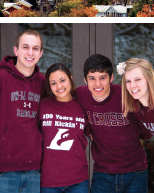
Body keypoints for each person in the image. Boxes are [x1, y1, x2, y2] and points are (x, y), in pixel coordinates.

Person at [73, 54, 151, 193]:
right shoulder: (80, 95)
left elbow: (145, 130)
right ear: (85, 80)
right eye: (92, 78)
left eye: (102, 77)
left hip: (135, 172)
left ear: (111, 77)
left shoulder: (126, 95)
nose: (97, 84)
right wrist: (87, 130)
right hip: (103, 173)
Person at [0, 30, 45, 193]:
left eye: (35, 48)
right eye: (25, 47)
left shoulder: (43, 83)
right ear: (16, 50)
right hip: (4, 169)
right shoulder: (2, 77)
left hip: (34, 169)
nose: (30, 53)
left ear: (41, 53)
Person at [39, 63, 89, 193]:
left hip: (78, 181)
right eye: (53, 83)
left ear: (70, 79)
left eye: (62, 80)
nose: (59, 86)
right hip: (49, 181)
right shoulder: (43, 105)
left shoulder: (82, 106)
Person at [119, 58, 154, 142]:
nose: (132, 86)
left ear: (149, 79)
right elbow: (144, 135)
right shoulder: (136, 111)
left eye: (137, 79)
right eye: (128, 81)